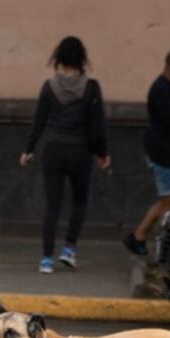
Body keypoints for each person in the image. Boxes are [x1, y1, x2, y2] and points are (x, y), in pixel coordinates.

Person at [20, 36, 110, 274]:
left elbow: (38, 121)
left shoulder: (49, 87)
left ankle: (47, 259)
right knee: (79, 201)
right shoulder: (91, 87)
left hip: (53, 149)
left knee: (52, 206)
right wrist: (102, 152)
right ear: (82, 59)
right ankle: (69, 249)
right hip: (80, 151)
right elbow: (97, 124)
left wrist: (29, 149)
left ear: (59, 58)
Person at [124, 47, 170, 256]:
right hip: (166, 155)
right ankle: (160, 243)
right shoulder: (161, 89)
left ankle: (139, 236)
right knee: (169, 201)